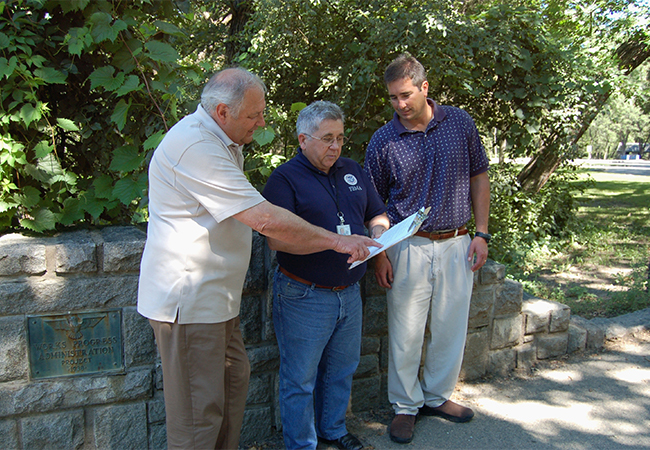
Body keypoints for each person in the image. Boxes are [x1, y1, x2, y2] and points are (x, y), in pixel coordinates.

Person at [137, 68, 379, 450]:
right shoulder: (195, 145)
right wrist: (337, 241)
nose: (262, 122)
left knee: (231, 392)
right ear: (222, 112)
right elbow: (263, 218)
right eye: (254, 115)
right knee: (199, 416)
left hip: (218, 302)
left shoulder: (221, 140)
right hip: (190, 303)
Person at [364, 54, 491, 444]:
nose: (400, 104)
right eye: (392, 98)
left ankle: (436, 397)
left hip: (457, 242)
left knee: (450, 327)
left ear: (424, 87)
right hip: (407, 247)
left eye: (405, 95)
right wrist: (380, 253)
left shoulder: (459, 123)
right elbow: (373, 203)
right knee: (405, 332)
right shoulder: (384, 140)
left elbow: (479, 174)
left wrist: (482, 233)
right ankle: (405, 406)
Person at [262, 101, 390, 450]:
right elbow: (276, 240)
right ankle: (302, 444)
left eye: (340, 138)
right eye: (327, 139)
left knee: (341, 369)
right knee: (300, 379)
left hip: (350, 291)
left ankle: (332, 430)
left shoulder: (352, 170)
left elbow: (377, 214)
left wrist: (379, 238)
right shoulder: (284, 179)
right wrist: (336, 244)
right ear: (303, 139)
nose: (335, 147)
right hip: (304, 294)